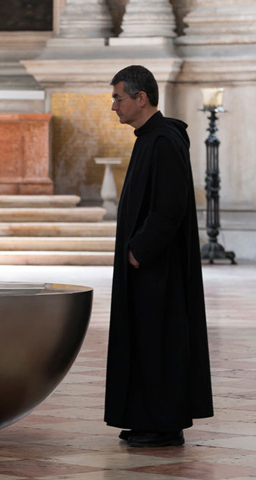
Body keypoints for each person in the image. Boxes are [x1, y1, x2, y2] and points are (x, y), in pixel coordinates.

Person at [104, 65, 214, 447]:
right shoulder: (149, 137)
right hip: (147, 265)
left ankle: (165, 425)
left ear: (141, 98)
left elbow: (169, 207)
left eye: (118, 97)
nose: (113, 105)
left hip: (157, 267)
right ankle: (146, 418)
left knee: (159, 341)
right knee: (145, 340)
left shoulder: (164, 139)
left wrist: (139, 250)